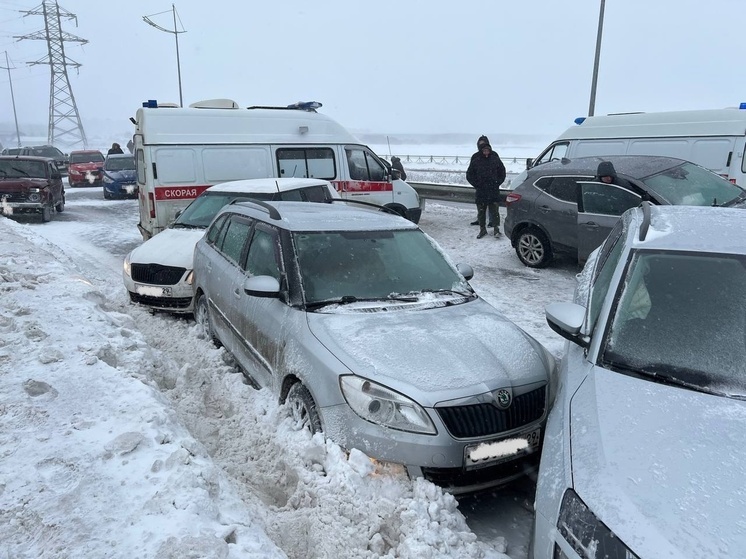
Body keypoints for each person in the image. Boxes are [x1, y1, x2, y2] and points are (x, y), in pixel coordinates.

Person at [466, 141, 506, 238]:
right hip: (481, 191)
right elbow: (469, 175)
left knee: (495, 212)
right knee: (481, 212)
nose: (486, 152)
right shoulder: (476, 160)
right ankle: (482, 230)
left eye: (487, 150)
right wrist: (477, 184)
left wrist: (497, 183)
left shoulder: (495, 159)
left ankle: (496, 230)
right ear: (481, 151)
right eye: (484, 150)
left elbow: (502, 172)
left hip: (493, 191)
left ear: (490, 150)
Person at [469, 135, 499, 227]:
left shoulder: (494, 155)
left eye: (484, 144)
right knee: (481, 205)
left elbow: (500, 170)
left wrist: (497, 182)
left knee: (492, 205)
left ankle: (492, 222)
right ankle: (480, 220)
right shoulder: (475, 156)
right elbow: (470, 173)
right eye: (480, 144)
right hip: (481, 187)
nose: (482, 146)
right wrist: (476, 184)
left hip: (492, 186)